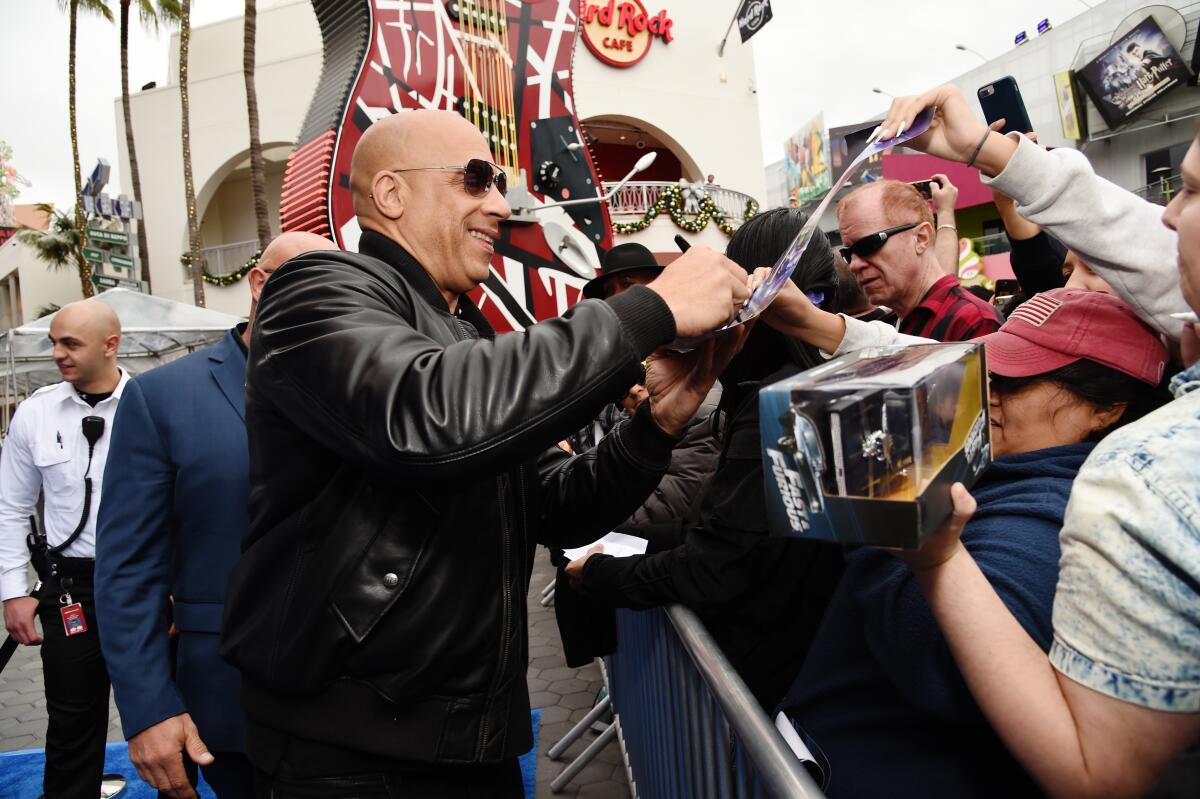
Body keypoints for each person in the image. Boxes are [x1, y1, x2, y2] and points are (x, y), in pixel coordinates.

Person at [218, 109, 749, 795]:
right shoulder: (316, 291)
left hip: (470, 738)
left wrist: (656, 429)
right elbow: (426, 415)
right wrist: (650, 308)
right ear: (391, 194)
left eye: (497, 185)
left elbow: (561, 504)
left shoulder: (463, 332)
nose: (499, 204)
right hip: (351, 748)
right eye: (475, 180)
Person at [860, 82, 1200, 798]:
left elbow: (1097, 773)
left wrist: (930, 555)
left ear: (1103, 409)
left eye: (1192, 193)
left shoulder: (1136, 480)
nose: (1165, 216)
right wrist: (986, 151)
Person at [776, 288, 1171, 798]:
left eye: (1020, 377)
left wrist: (883, 508)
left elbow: (942, 664)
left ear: (1106, 409)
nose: (991, 386)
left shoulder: (1053, 515)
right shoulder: (1007, 459)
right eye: (992, 365)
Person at [567, 207, 847, 710]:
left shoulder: (781, 404)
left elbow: (716, 567)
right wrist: (623, 543)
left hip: (773, 684)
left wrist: (600, 577)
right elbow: (721, 531)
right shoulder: (784, 389)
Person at [94, 232, 337, 799]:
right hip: (230, 703)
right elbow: (128, 569)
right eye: (309, 284)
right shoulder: (164, 397)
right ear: (259, 284)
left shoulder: (366, 389)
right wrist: (150, 708)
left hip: (366, 703)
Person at [0, 300, 125, 798]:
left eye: (70, 343)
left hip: (145, 585)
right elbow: (10, 508)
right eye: (54, 342)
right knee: (71, 726)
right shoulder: (36, 411)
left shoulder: (150, 404)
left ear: (110, 345)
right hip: (69, 587)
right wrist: (14, 593)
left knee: (163, 713)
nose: (58, 353)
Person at [837, 179, 1002, 342]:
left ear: (921, 238)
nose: (854, 264)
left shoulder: (973, 322)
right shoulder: (887, 328)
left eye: (868, 245)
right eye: (848, 253)